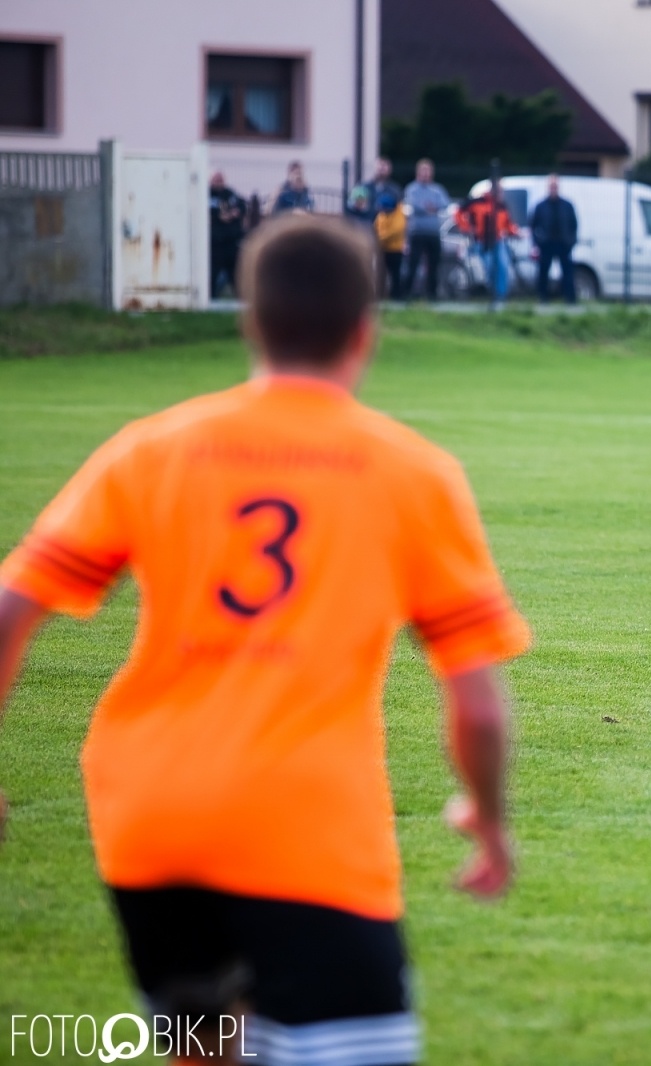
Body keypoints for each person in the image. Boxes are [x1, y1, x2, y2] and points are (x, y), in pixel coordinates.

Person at [0, 215, 531, 1063]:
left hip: (149, 820)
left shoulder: (154, 449)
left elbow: (10, 609)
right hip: (306, 828)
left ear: (250, 322)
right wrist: (490, 822)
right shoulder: (411, 473)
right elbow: (478, 707)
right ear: (364, 332)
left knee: (206, 1043)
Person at [454, 179, 520, 310]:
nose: (501, 194)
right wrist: (466, 227)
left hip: (497, 240)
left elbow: (508, 224)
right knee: (489, 265)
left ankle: (501, 296)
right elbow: (458, 212)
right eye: (499, 191)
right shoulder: (477, 202)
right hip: (481, 241)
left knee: (502, 265)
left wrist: (515, 232)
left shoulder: (501, 205)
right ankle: (492, 293)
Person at [402, 158, 450, 301]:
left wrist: (429, 207)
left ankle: (432, 295)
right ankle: (406, 294)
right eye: (423, 171)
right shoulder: (412, 188)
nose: (425, 174)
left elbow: (444, 204)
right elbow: (414, 205)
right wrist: (430, 208)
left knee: (434, 265)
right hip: (417, 232)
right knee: (413, 264)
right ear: (418, 172)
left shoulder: (437, 189)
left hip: (433, 233)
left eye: (428, 171)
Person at [529, 174, 578, 304]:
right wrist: (536, 242)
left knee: (567, 272)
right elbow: (533, 226)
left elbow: (574, 225)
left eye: (555, 186)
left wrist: (571, 241)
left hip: (564, 243)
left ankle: (570, 299)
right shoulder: (541, 206)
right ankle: (543, 298)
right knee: (543, 271)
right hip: (546, 244)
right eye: (551, 186)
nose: (553, 189)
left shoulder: (567, 205)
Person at [208, 171, 245, 298]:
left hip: (231, 242)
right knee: (213, 273)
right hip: (215, 243)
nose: (219, 182)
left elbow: (242, 206)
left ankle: (240, 299)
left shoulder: (230, 194)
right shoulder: (206, 194)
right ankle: (210, 298)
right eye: (216, 180)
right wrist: (218, 216)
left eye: (221, 180)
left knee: (235, 273)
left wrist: (234, 213)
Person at [375, 190, 408, 299]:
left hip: (395, 249)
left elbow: (396, 231)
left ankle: (396, 295)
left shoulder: (399, 214)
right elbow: (377, 228)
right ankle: (380, 294)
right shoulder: (382, 215)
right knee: (381, 274)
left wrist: (380, 239)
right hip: (383, 249)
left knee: (395, 274)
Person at [348, 157, 401, 222]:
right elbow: (351, 206)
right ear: (374, 168)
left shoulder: (395, 190)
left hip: (386, 225)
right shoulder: (363, 187)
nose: (381, 168)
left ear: (390, 169)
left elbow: (399, 210)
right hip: (364, 224)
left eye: (384, 166)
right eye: (380, 166)